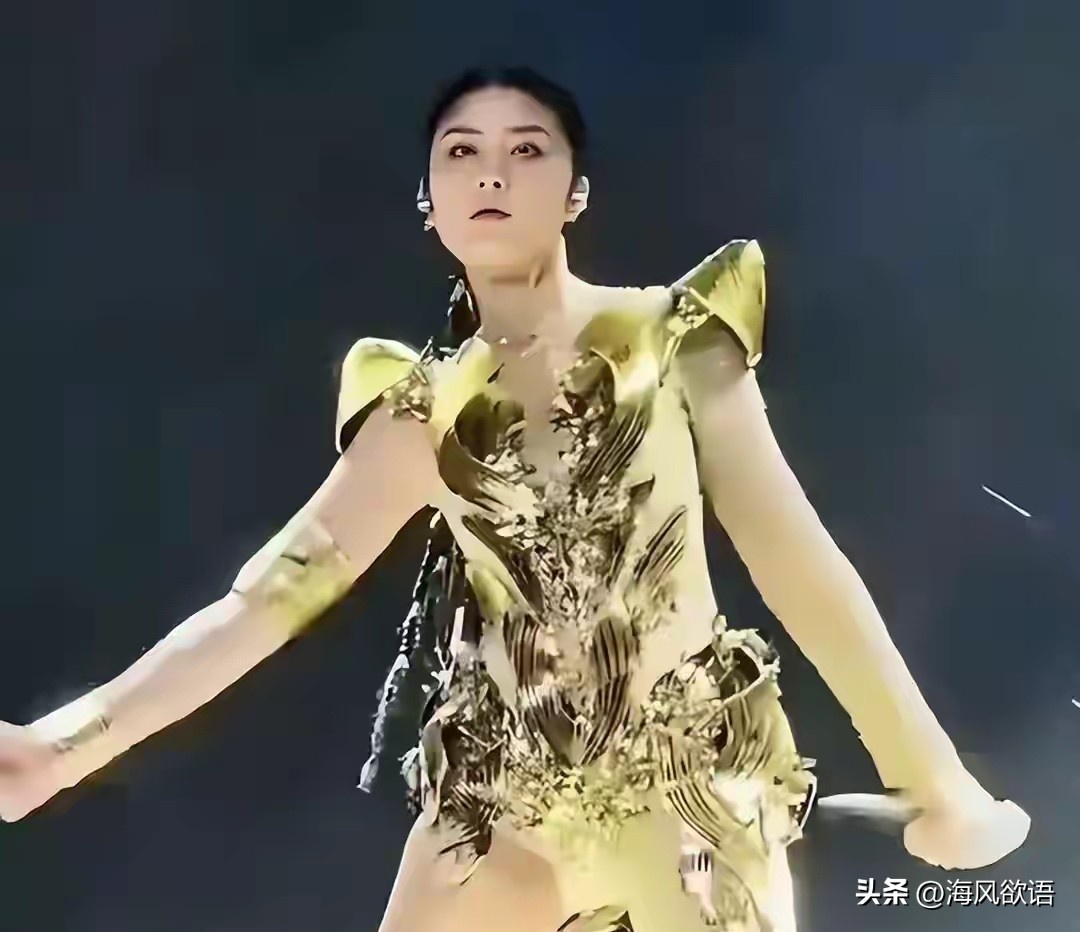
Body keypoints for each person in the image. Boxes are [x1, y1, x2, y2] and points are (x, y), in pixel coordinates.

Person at [0, 67, 1030, 932]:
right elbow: (262, 602)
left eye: (527, 149)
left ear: (575, 190)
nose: (490, 171)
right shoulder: (419, 410)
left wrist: (934, 779)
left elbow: (797, 560)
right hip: (494, 811)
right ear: (428, 198)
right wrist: (58, 748)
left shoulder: (673, 342)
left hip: (682, 800)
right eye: (462, 151)